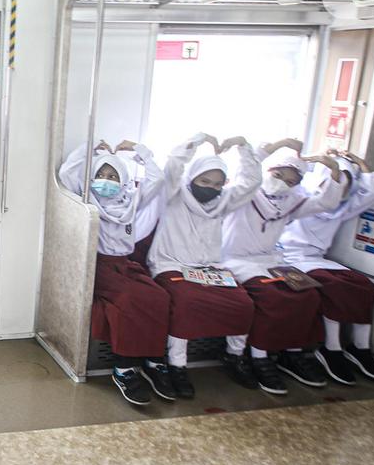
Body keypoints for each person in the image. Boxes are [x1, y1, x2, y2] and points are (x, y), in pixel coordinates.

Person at [220, 141, 342, 394]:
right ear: (267, 170)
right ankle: (259, 356)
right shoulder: (245, 192)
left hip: (271, 260)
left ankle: (292, 353)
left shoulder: (290, 202)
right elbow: (249, 165)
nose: (282, 183)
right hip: (235, 259)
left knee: (308, 295)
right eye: (278, 175)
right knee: (272, 297)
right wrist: (281, 144)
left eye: (290, 181)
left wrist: (334, 169)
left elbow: (327, 203)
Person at [60, 139, 175, 405]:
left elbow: (157, 179)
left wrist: (139, 151)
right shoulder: (87, 198)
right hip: (98, 265)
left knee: (159, 296)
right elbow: (67, 173)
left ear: (123, 180)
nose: (106, 180)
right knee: (128, 300)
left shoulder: (130, 201)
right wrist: (90, 147)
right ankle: (123, 369)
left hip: (125, 264)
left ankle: (154, 362)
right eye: (101, 174)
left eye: (112, 176)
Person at [146, 133, 261, 392]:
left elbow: (252, 182)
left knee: (243, 304)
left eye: (217, 183)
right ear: (192, 179)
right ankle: (177, 364)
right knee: (187, 302)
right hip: (171, 265)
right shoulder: (174, 195)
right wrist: (198, 140)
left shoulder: (223, 202)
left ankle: (234, 356)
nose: (210, 187)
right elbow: (173, 165)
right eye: (204, 181)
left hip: (210, 269)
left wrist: (243, 146)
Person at [279, 150, 374, 383]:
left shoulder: (341, 208)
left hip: (317, 258)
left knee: (364, 286)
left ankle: (360, 347)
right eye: (334, 181)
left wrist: (359, 163)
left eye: (345, 185)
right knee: (333, 287)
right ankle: (332, 347)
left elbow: (373, 193)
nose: (339, 189)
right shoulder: (301, 198)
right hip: (288, 258)